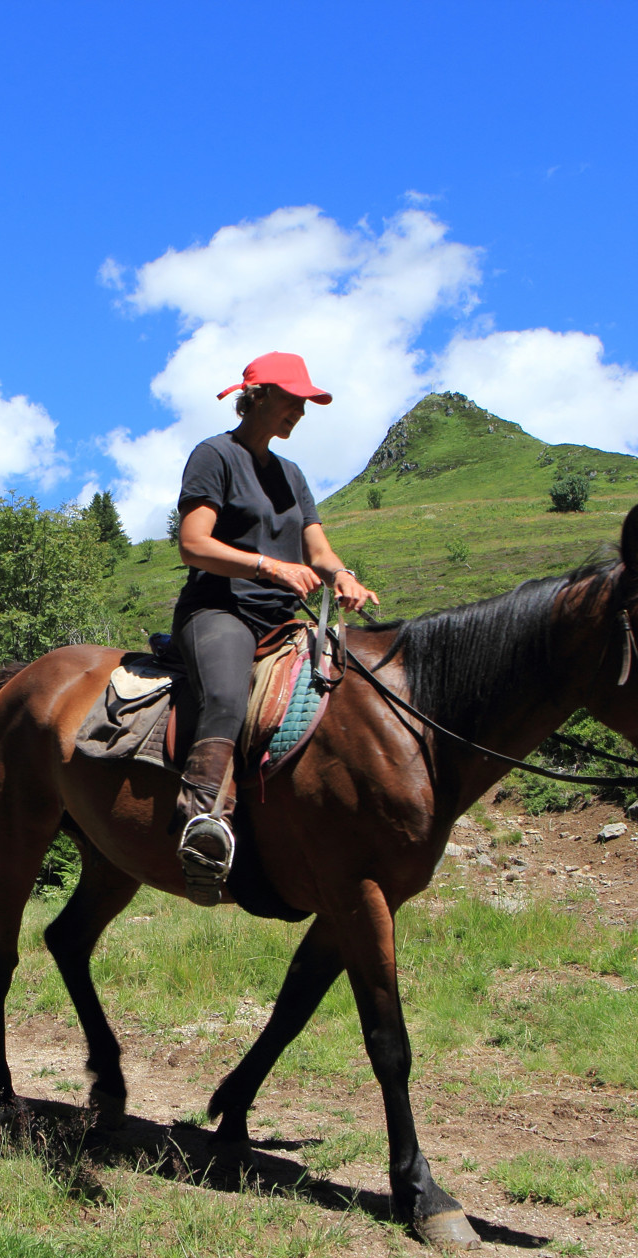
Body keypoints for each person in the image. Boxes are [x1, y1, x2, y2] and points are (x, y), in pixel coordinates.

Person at [170, 352, 379, 905]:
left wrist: (343, 576)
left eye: (305, 403)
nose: (301, 412)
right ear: (257, 395)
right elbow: (194, 544)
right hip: (219, 611)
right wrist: (269, 565)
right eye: (292, 400)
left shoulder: (292, 475)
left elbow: (318, 550)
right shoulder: (215, 455)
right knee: (226, 694)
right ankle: (204, 826)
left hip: (282, 619)